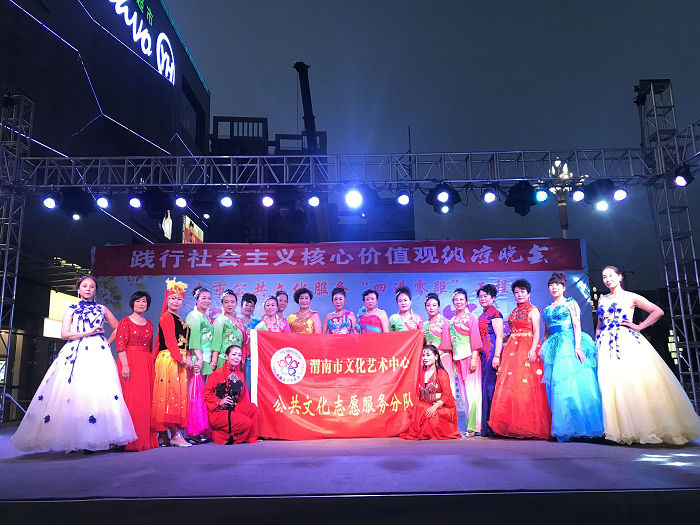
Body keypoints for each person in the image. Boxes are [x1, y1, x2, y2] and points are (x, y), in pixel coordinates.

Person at [12, 275, 136, 452]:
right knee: (74, 392)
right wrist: (88, 333)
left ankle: (93, 437)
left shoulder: (102, 308)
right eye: (84, 286)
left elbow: (119, 327)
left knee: (97, 392)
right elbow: (64, 334)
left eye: (92, 286)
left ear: (95, 289)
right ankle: (72, 438)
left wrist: (107, 342)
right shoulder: (71, 308)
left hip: (98, 351)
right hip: (75, 351)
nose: (88, 289)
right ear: (78, 289)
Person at [596, 266, 700, 445]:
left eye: (611, 275)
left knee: (632, 382)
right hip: (606, 345)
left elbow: (658, 311)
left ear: (620, 277)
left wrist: (639, 326)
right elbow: (599, 323)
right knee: (610, 384)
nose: (608, 279)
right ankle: (616, 429)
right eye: (604, 277)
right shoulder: (602, 299)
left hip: (626, 342)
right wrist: (597, 339)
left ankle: (640, 426)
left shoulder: (631, 297)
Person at [540, 273, 604, 441]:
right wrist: (546, 350)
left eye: (557, 285)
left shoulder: (570, 303)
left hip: (568, 343)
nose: (554, 287)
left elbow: (577, 325)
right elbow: (546, 332)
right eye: (551, 285)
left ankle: (581, 426)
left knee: (571, 384)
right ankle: (565, 426)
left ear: (563, 287)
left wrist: (577, 347)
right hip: (554, 346)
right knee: (557, 386)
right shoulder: (547, 307)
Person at [488, 279, 551, 440]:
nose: (519, 295)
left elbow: (537, 332)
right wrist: (500, 339)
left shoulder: (533, 310)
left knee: (527, 385)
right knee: (513, 386)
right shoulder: (514, 311)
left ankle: (529, 425)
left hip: (527, 347)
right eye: (516, 292)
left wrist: (533, 349)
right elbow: (513, 331)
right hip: (512, 350)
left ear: (528, 293)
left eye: (522, 292)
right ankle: (513, 425)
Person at [152, 279, 193, 447]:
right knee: (170, 394)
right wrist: (180, 357)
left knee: (174, 395)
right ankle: (175, 435)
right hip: (169, 358)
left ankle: (164, 435)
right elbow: (169, 340)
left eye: (179, 298)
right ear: (166, 300)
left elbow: (184, 342)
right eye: (172, 298)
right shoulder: (166, 317)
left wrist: (188, 356)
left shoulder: (178, 318)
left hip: (178, 358)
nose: (176, 301)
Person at [115, 291, 158, 451]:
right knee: (130, 400)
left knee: (145, 400)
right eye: (138, 301)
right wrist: (125, 365)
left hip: (145, 363)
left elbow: (150, 347)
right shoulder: (125, 322)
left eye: (144, 301)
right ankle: (128, 440)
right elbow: (121, 346)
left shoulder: (149, 324)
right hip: (129, 362)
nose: (141, 304)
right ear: (132, 303)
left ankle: (143, 438)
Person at [400, 344, 461, 440]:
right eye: (423, 355)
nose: (425, 358)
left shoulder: (441, 373)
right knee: (418, 406)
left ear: (436, 357)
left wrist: (435, 406)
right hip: (425, 405)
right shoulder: (421, 372)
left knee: (426, 412)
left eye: (428, 355)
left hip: (440, 406)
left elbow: (447, 394)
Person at [204, 345, 259, 445]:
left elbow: (242, 397)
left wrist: (240, 408)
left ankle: (250, 438)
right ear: (226, 356)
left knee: (252, 408)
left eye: (239, 355)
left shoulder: (240, 375)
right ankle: (220, 436)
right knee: (246, 423)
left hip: (232, 408)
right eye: (234, 354)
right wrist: (219, 401)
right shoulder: (217, 373)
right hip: (218, 411)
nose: (237, 357)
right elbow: (206, 392)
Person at [449, 288, 483, 436]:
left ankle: (475, 426)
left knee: (473, 392)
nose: (459, 302)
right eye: (456, 300)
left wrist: (474, 358)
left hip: (470, 358)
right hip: (458, 360)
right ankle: (471, 424)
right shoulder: (452, 321)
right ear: (453, 302)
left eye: (461, 299)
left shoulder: (471, 318)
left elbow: (475, 339)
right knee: (464, 394)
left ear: (466, 301)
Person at [185, 285, 213, 442]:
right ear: (196, 300)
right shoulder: (194, 316)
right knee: (194, 393)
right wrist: (199, 357)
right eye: (203, 298)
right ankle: (192, 431)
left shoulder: (205, 316)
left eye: (209, 298)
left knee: (200, 393)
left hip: (205, 358)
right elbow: (193, 339)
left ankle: (199, 429)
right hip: (198, 358)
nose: (207, 301)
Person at [476, 284, 504, 438]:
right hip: (484, 355)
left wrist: (497, 356)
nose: (482, 298)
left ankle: (494, 426)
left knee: (490, 388)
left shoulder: (495, 313)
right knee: (486, 388)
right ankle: (487, 427)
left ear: (493, 298)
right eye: (480, 296)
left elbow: (499, 336)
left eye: (485, 296)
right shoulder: (483, 314)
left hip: (492, 354)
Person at [422, 293, 454, 395]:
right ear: (425, 307)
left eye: (434, 305)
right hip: (430, 362)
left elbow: (446, 344)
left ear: (439, 307)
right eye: (428, 305)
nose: (431, 308)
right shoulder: (424, 325)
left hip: (443, 358)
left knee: (447, 387)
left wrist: (435, 356)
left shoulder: (445, 322)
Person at [212, 290, 246, 370]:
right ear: (222, 304)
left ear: (236, 304)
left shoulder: (240, 322)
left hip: (237, 362)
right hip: (224, 360)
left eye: (232, 302)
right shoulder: (220, 320)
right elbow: (216, 343)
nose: (229, 304)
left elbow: (243, 342)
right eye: (226, 302)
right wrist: (214, 361)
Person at [237, 293, 260, 390]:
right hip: (236, 355)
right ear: (241, 305)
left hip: (251, 357)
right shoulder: (235, 320)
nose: (249, 308)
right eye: (246, 305)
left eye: (252, 306)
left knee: (249, 383)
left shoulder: (258, 322)